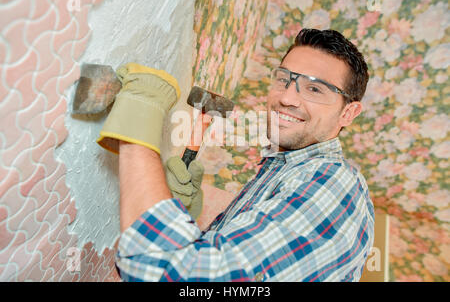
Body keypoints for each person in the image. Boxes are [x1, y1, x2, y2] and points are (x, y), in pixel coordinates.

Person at [96, 28, 374, 282]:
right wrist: (182, 216)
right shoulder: (286, 169)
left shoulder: (334, 181)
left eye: (315, 89)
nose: (287, 98)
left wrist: (139, 122)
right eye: (284, 79)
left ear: (349, 113)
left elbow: (177, 276)